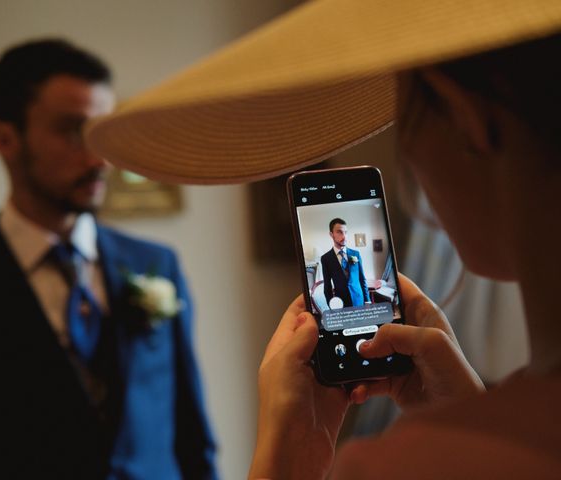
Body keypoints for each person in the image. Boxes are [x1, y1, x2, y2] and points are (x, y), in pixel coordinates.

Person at [77, 1, 561, 478]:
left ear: (464, 121)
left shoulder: (401, 467)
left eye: (404, 127)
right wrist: (469, 411)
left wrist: (287, 460)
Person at [0, 39, 217, 479]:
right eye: (73, 130)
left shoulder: (156, 264)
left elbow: (193, 440)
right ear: (5, 139)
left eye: (102, 131)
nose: (100, 158)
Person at [320, 218, 370, 309]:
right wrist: (332, 306)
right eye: (339, 232)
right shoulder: (326, 258)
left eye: (345, 232)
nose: (344, 236)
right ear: (331, 234)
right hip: (341, 303)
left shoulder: (356, 254)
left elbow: (362, 279)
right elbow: (327, 286)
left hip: (359, 300)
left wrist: (367, 300)